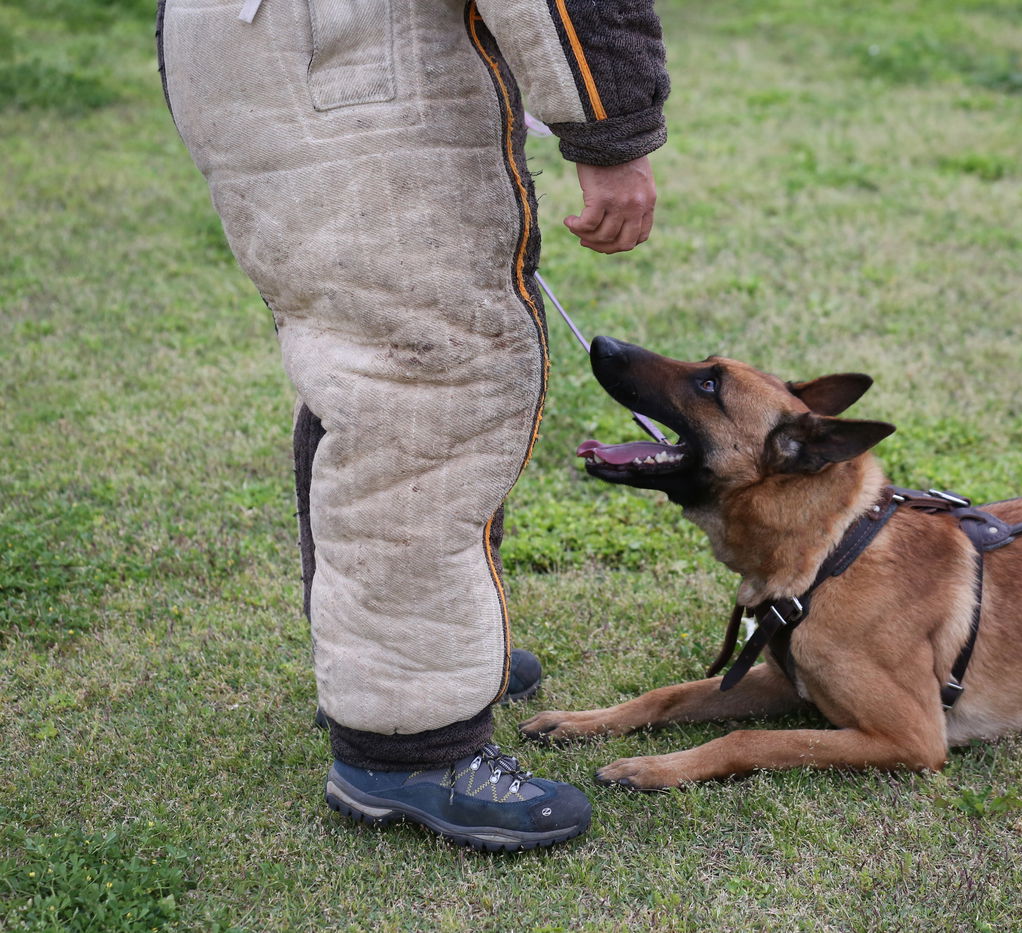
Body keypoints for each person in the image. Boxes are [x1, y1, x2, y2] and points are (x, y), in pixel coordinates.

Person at [156, 0, 668, 852]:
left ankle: (401, 668)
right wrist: (611, 133)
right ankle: (407, 748)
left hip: (239, 41)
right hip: (358, 49)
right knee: (425, 388)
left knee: (359, 369)